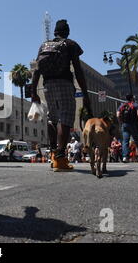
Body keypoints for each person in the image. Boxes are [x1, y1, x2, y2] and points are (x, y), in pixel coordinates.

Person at [31, 20, 93, 172]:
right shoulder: (70, 44)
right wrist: (85, 93)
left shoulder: (43, 46)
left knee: (52, 118)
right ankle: (60, 158)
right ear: (67, 31)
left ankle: (53, 154)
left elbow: (36, 69)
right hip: (64, 83)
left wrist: (33, 91)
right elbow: (78, 70)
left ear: (55, 32)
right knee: (65, 118)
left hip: (47, 86)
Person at [117, 94, 138, 163]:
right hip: (134, 125)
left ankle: (125, 157)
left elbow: (118, 115)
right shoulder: (136, 105)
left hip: (125, 125)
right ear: (132, 98)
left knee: (125, 141)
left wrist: (121, 122)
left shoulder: (122, 105)